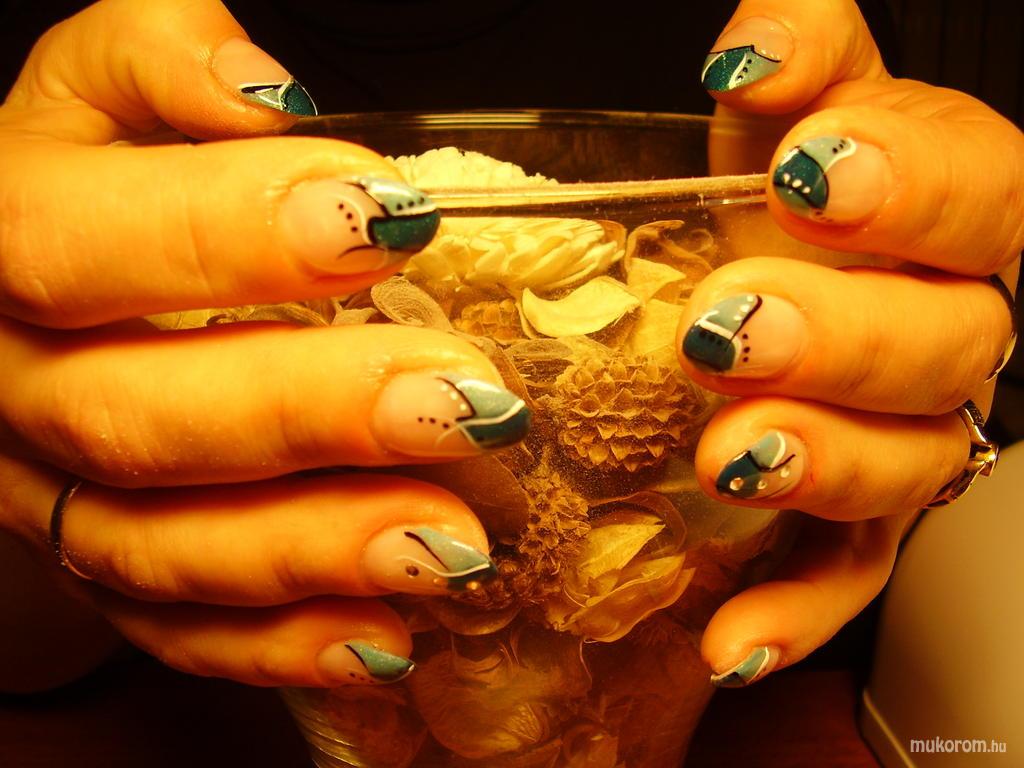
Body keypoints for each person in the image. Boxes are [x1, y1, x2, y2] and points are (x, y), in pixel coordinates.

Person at [0, 0, 1019, 694]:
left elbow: (894, 360)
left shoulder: (774, 34)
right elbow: (32, 655)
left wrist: (917, 343)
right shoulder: (100, 70)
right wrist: (37, 473)